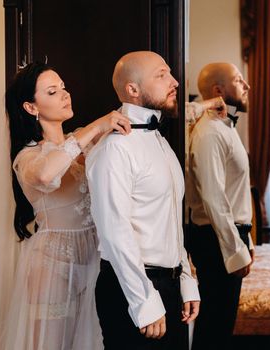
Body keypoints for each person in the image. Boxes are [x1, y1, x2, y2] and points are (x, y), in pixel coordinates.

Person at [0, 62, 131, 350]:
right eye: (53, 91)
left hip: (96, 261)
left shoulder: (81, 139)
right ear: (32, 108)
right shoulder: (28, 157)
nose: (65, 95)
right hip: (54, 265)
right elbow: (47, 174)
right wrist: (95, 127)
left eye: (64, 88)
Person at [85, 51, 202, 350]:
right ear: (132, 90)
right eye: (161, 75)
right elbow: (115, 233)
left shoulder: (160, 142)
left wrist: (185, 281)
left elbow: (172, 223)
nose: (175, 81)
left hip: (169, 285)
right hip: (132, 287)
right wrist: (144, 301)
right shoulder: (115, 149)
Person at [186, 62, 254, 349]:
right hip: (214, 239)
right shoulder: (209, 133)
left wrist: (245, 239)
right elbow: (214, 199)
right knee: (214, 328)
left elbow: (234, 192)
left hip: (227, 234)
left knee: (221, 326)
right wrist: (235, 251)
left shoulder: (224, 126)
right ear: (218, 90)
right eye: (239, 80)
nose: (247, 85)